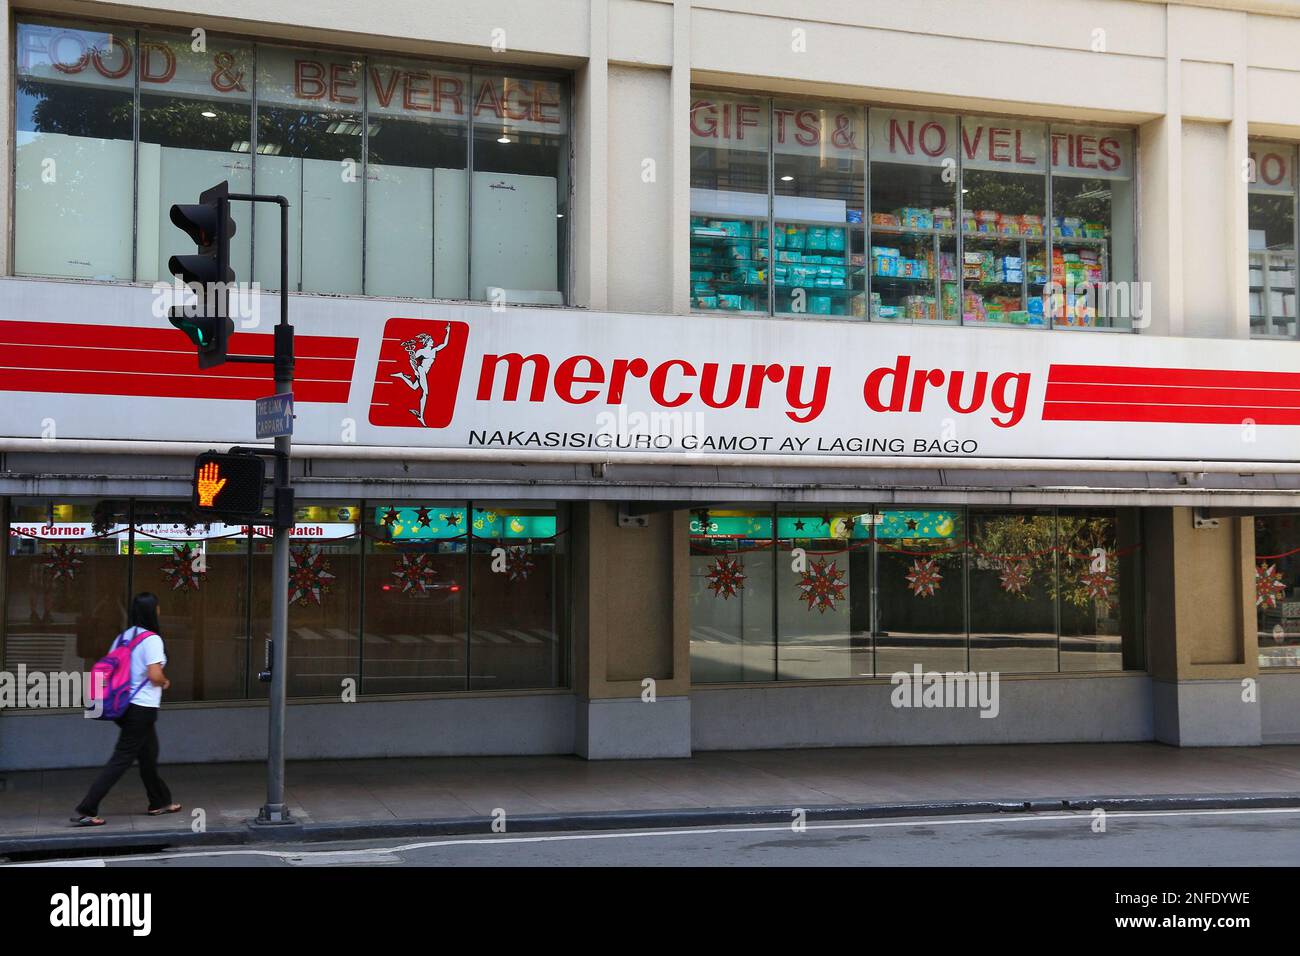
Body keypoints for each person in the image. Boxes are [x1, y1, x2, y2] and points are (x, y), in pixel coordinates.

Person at [71, 592, 181, 827]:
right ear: (153, 611)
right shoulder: (152, 640)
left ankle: (159, 802)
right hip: (141, 708)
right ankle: (86, 808)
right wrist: (165, 681)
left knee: (148, 755)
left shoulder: (123, 637)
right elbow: (154, 675)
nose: (160, 611)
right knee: (122, 758)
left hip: (122, 706)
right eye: (158, 607)